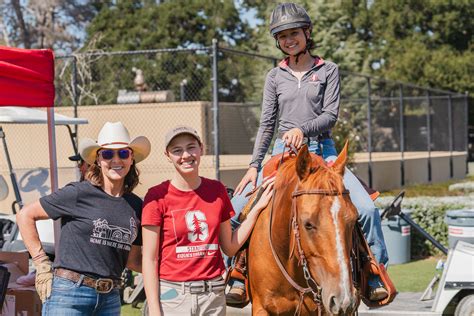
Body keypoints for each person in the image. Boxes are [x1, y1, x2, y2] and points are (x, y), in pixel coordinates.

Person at [225, 2, 389, 304]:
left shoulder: (328, 70)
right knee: (236, 208)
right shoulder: (275, 77)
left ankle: (373, 270)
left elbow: (330, 115)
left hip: (323, 152)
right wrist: (253, 166)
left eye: (294, 33)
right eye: (283, 36)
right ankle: (238, 271)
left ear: (307, 33)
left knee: (365, 208)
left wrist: (303, 128)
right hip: (282, 155)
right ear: (277, 40)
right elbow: (267, 123)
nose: (289, 40)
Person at [16, 121, 150, 315]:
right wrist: (41, 263)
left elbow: (133, 261)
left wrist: (175, 269)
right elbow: (25, 215)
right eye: (107, 154)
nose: (116, 160)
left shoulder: (136, 205)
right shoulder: (79, 193)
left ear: (131, 159)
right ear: (97, 159)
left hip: (111, 298)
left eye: (123, 153)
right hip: (69, 294)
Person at [141, 125, 274, 316]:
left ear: (201, 149)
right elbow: (150, 259)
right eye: (177, 150)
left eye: (191, 147)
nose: (186, 155)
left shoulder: (217, 191)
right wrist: (154, 308)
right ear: (167, 155)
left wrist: (258, 208)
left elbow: (229, 247)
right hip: (173, 296)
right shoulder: (157, 196)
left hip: (212, 296)